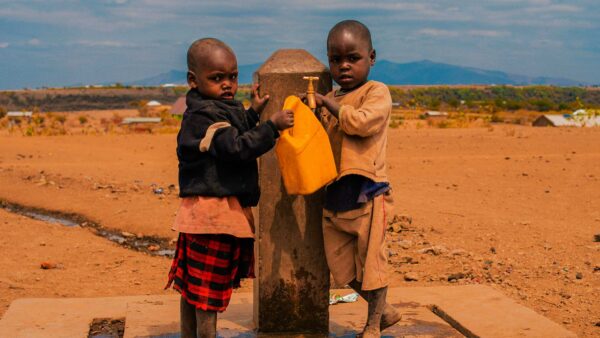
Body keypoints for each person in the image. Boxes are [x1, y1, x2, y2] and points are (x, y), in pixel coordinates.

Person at [165, 37, 293, 338]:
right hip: (212, 217)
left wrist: (252, 113)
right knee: (207, 289)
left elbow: (230, 135)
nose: (227, 84)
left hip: (206, 215)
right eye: (217, 78)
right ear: (193, 80)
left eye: (232, 77)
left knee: (193, 287)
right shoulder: (203, 117)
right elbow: (235, 147)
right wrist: (271, 127)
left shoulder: (213, 109)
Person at [308, 20, 401, 337]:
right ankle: (384, 310)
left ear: (371, 57)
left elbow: (360, 123)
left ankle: (373, 324)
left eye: (353, 58)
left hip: (368, 193)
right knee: (341, 267)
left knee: (372, 262)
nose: (344, 66)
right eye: (336, 59)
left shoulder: (376, 93)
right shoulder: (332, 98)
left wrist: (329, 105)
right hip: (335, 196)